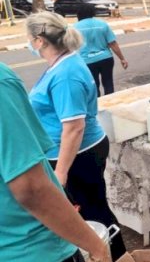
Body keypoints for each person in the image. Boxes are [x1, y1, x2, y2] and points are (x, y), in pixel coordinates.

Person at [26, 12, 126, 260]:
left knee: (91, 213)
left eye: (28, 37)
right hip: (74, 150)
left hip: (76, 154)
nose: (27, 42)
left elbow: (74, 127)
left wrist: (60, 172)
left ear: (39, 40)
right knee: (91, 210)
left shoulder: (65, 75)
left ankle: (115, 255)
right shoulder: (62, 63)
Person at [0, 62, 112, 262]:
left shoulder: (66, 70)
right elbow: (31, 188)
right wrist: (97, 247)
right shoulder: (2, 84)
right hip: (34, 249)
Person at [74, 3, 128, 96]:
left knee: (94, 87)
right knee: (108, 84)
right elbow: (112, 43)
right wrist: (122, 58)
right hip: (106, 59)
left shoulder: (74, 28)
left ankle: (99, 106)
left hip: (87, 61)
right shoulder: (102, 24)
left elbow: (71, 47)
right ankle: (110, 105)